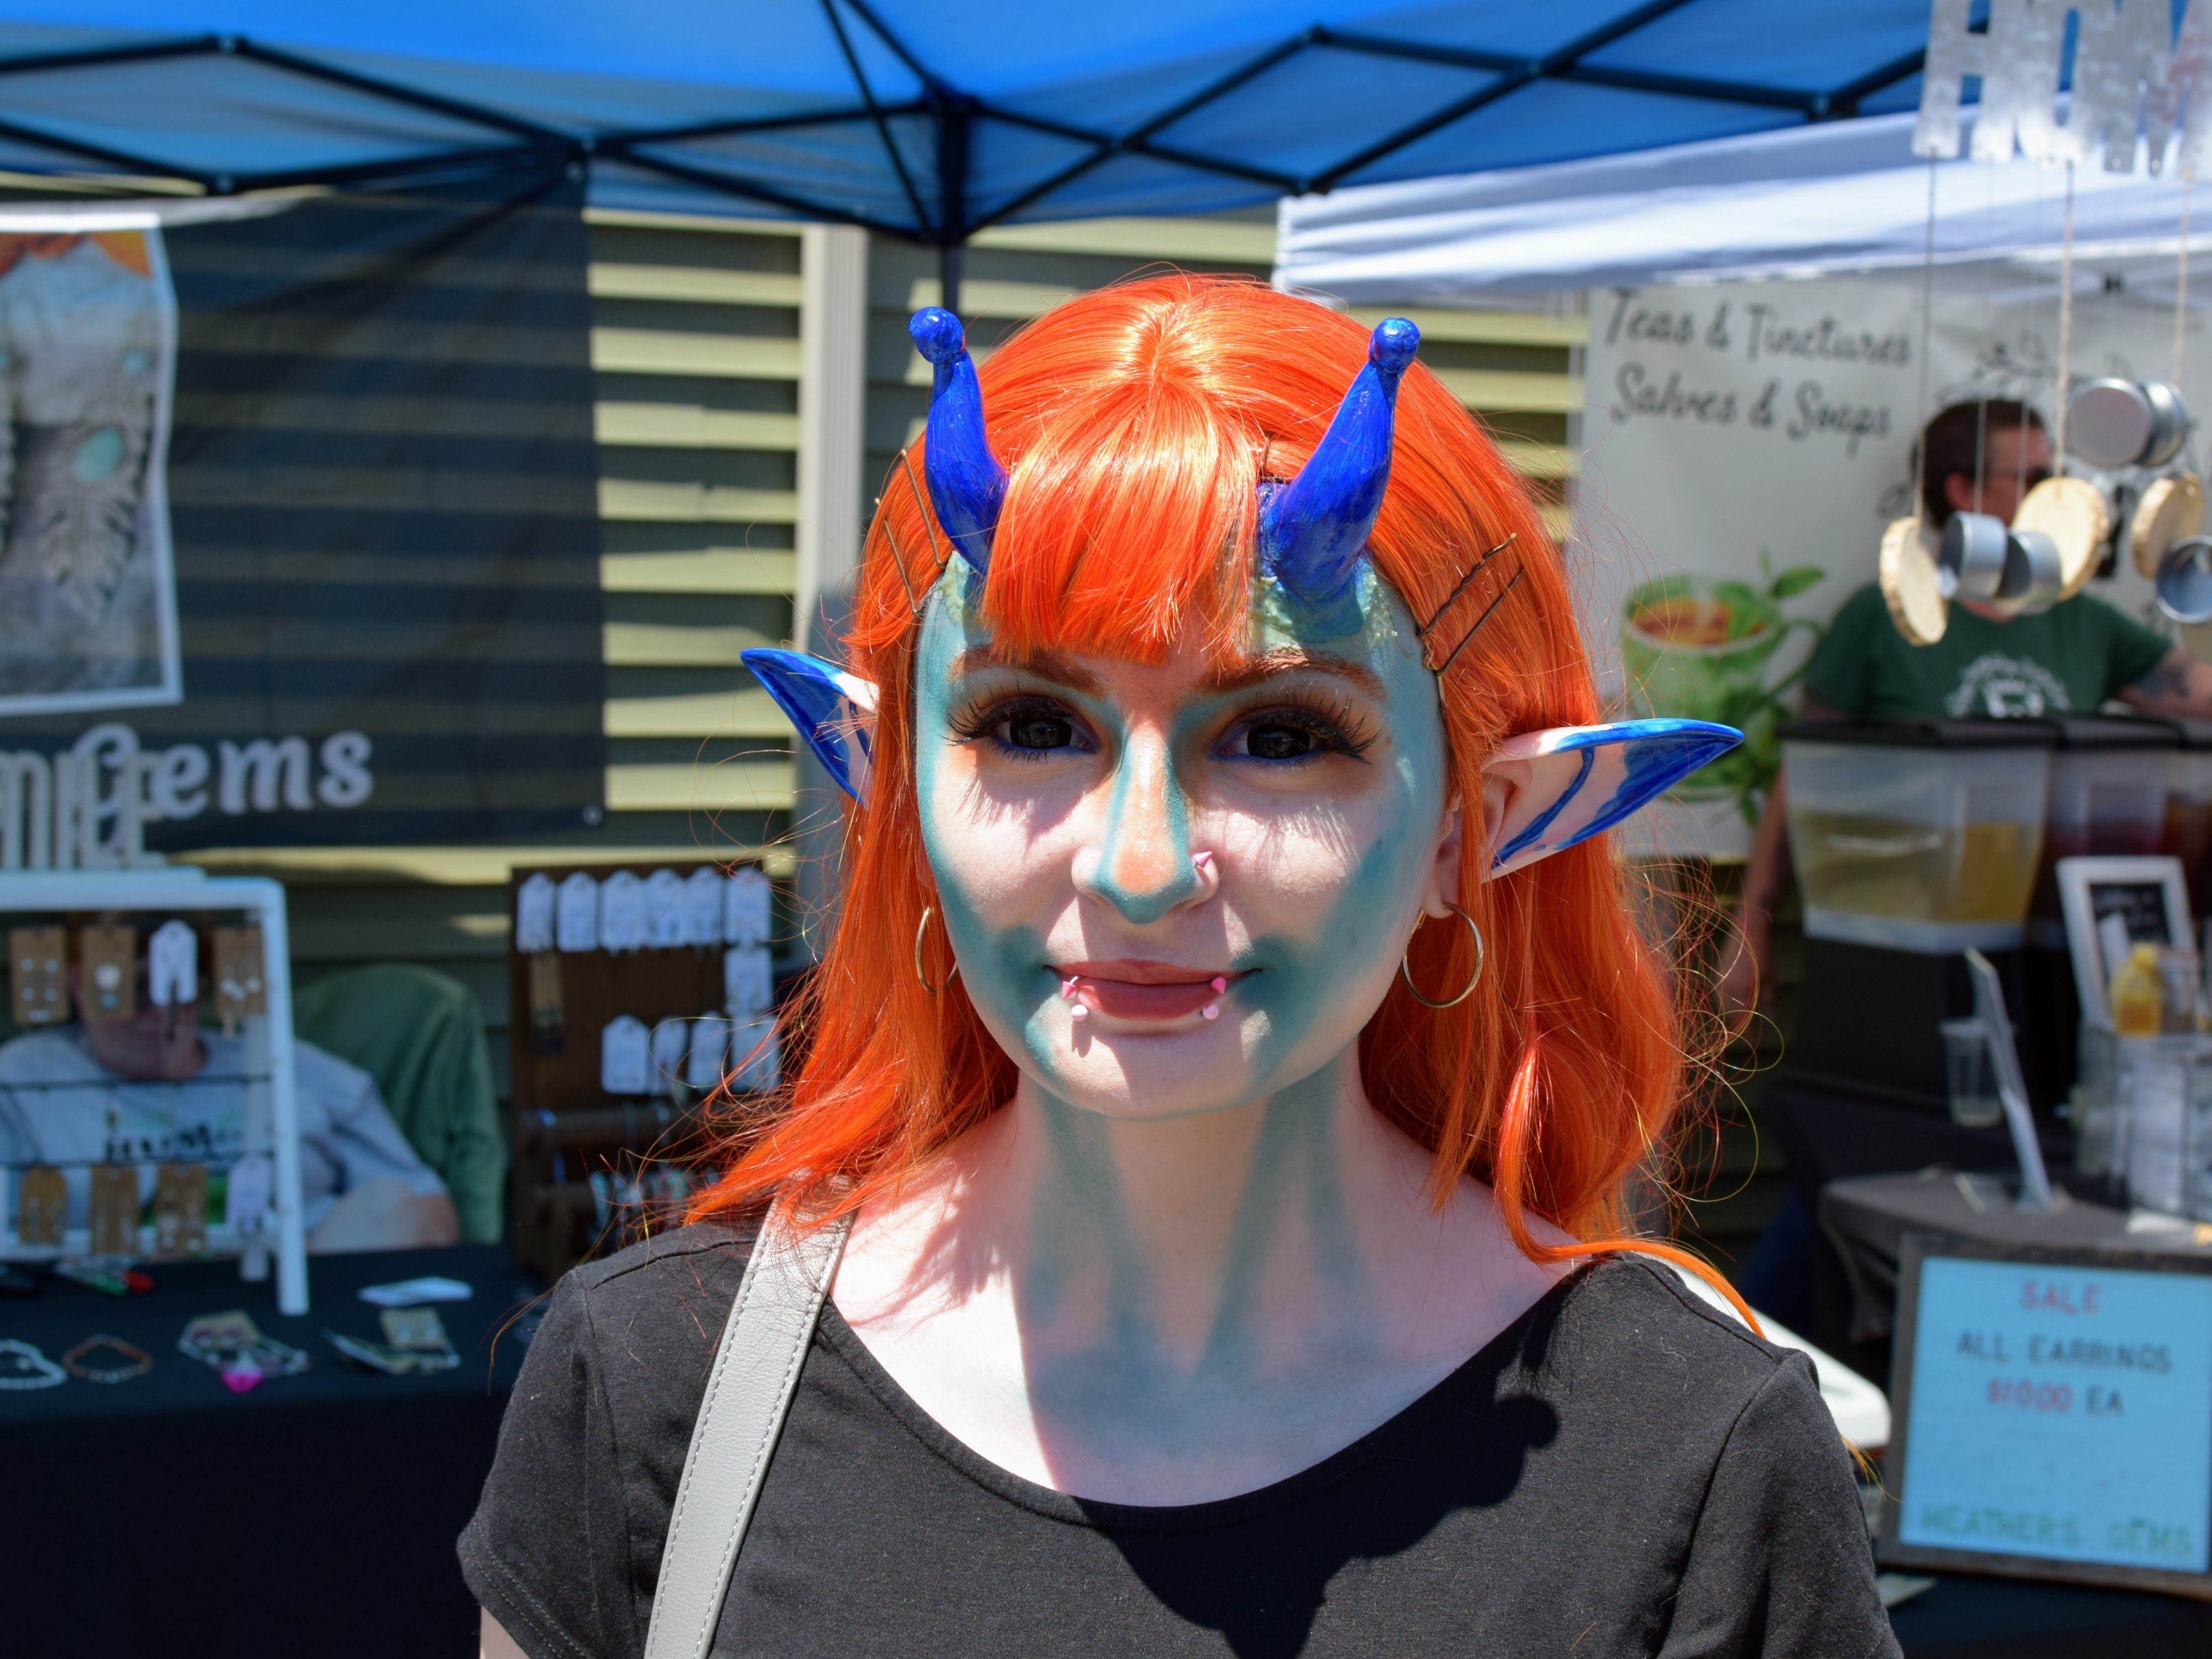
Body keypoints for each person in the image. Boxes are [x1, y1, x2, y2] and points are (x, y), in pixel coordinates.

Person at [463, 279, 1895, 1658]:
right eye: (1031, 724)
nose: (1137, 867)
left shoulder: (1700, 1468)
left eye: (1280, 736)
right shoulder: (657, 1393)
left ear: (1484, 824)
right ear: (888, 784)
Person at [1718, 399, 2212, 1017]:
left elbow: (2194, 690)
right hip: (1902, 948)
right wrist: (1751, 925)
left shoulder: (2086, 621)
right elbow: (1805, 779)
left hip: (2046, 958)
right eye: (2032, 480)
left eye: (2054, 478)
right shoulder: (1881, 617)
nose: (2055, 498)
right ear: (1963, 491)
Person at [0, 927, 457, 1253]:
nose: (160, 1015)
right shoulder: (26, 1075)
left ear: (203, 990)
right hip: (119, 1292)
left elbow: (429, 1212)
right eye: (135, 990)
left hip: (303, 1280)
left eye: (177, 990)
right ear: (78, 984)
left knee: (390, 1203)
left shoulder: (290, 1065)